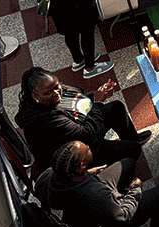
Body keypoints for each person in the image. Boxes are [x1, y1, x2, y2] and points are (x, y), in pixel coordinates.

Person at [16, 67, 151, 172]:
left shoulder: (56, 92)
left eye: (56, 87)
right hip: (76, 156)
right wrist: (97, 103)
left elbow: (78, 100)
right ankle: (114, 178)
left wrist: (96, 95)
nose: (56, 93)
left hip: (83, 130)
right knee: (133, 150)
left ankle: (133, 139)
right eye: (48, 92)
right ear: (35, 96)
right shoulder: (44, 120)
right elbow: (87, 136)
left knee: (116, 108)